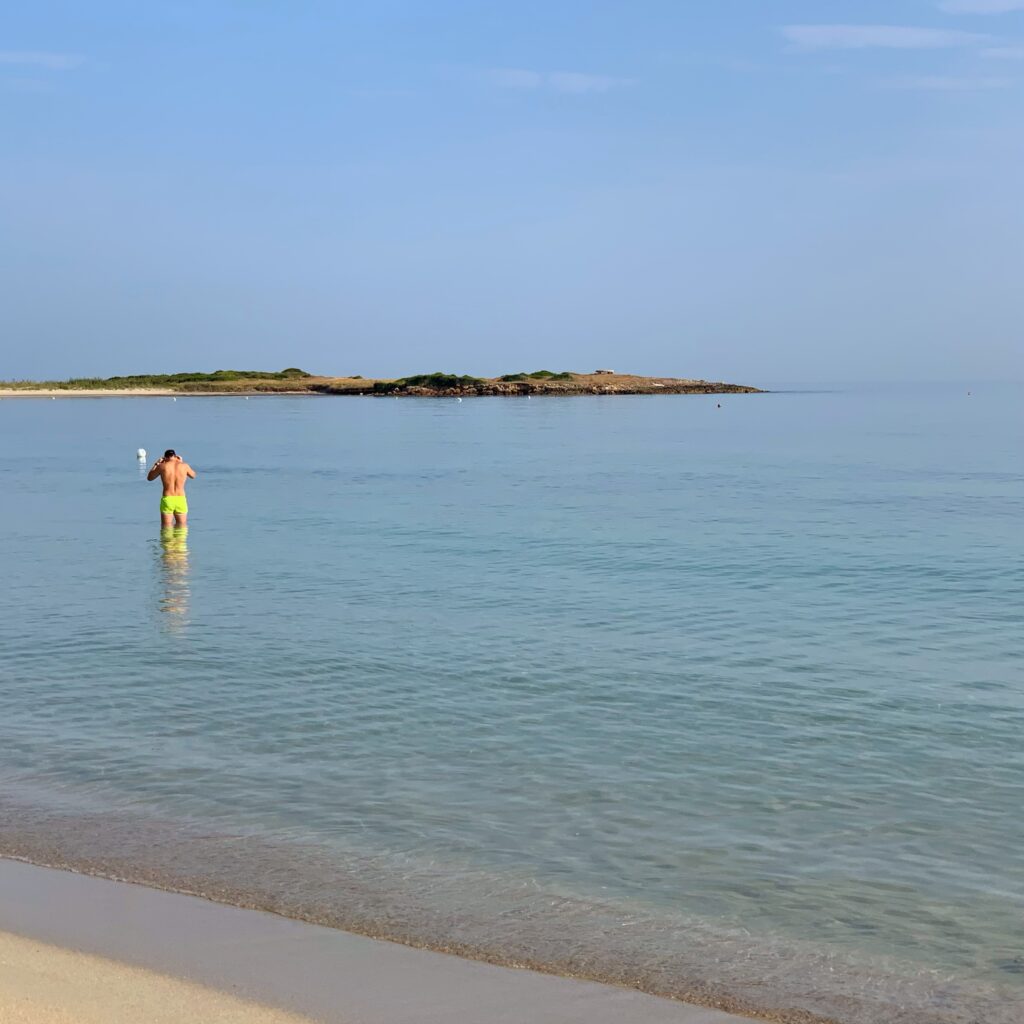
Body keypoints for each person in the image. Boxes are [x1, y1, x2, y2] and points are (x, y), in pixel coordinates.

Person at [147, 449, 196, 527]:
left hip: (168, 499)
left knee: (166, 528)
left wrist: (156, 463)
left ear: (165, 458)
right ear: (175, 456)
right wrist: (181, 462)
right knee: (182, 527)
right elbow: (193, 475)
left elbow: (149, 478)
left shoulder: (162, 466)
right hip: (180, 499)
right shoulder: (184, 466)